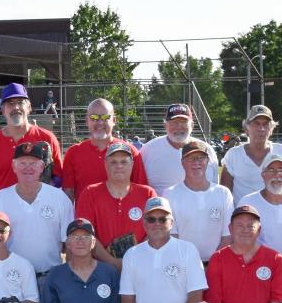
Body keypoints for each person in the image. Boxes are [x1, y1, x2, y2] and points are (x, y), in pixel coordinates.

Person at [0, 142, 74, 279]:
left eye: (33, 163)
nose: (28, 168)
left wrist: (69, 278)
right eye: (22, 163)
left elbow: (69, 243)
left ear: (42, 167)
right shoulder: (0, 199)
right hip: (12, 276)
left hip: (50, 277)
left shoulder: (59, 198)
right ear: (13, 166)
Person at [75, 141, 157, 271]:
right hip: (101, 269)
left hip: (141, 266)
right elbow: (85, 233)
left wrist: (134, 259)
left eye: (124, 162)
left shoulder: (147, 193)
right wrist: (112, 262)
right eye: (113, 162)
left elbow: (154, 231)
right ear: (105, 164)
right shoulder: (90, 193)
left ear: (132, 164)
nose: (119, 166)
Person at [0, 83, 64, 199]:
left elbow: (59, 177)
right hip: (2, 213)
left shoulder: (47, 138)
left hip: (39, 212)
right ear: (3, 109)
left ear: (29, 107)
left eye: (20, 102)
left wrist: (43, 192)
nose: (16, 107)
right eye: (10, 103)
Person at [61, 98, 148, 201]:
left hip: (121, 216)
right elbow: (68, 195)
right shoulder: (73, 153)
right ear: (87, 121)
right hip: (85, 216)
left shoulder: (130, 152)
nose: (100, 122)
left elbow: (142, 193)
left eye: (106, 117)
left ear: (114, 120)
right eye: (94, 117)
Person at [164, 139, 234, 263]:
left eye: (201, 158)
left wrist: (213, 265)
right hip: (183, 263)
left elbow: (228, 235)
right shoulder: (170, 194)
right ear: (182, 162)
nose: (196, 162)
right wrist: (192, 267)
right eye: (191, 158)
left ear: (207, 161)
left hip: (217, 264)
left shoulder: (223, 193)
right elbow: (172, 236)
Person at [236, 153, 282, 262]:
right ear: (263, 175)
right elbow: (241, 242)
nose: (277, 175)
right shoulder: (248, 203)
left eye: (281, 170)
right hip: (259, 271)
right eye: (271, 170)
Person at [220, 105, 282, 201]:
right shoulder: (233, 155)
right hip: (243, 214)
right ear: (246, 128)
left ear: (271, 129)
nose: (261, 129)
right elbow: (224, 195)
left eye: (266, 124)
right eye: (256, 123)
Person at [140, 103, 218, 196]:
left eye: (184, 122)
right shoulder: (148, 150)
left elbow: (215, 187)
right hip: (162, 209)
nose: (178, 126)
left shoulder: (207, 150)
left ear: (192, 126)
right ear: (165, 126)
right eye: (173, 122)